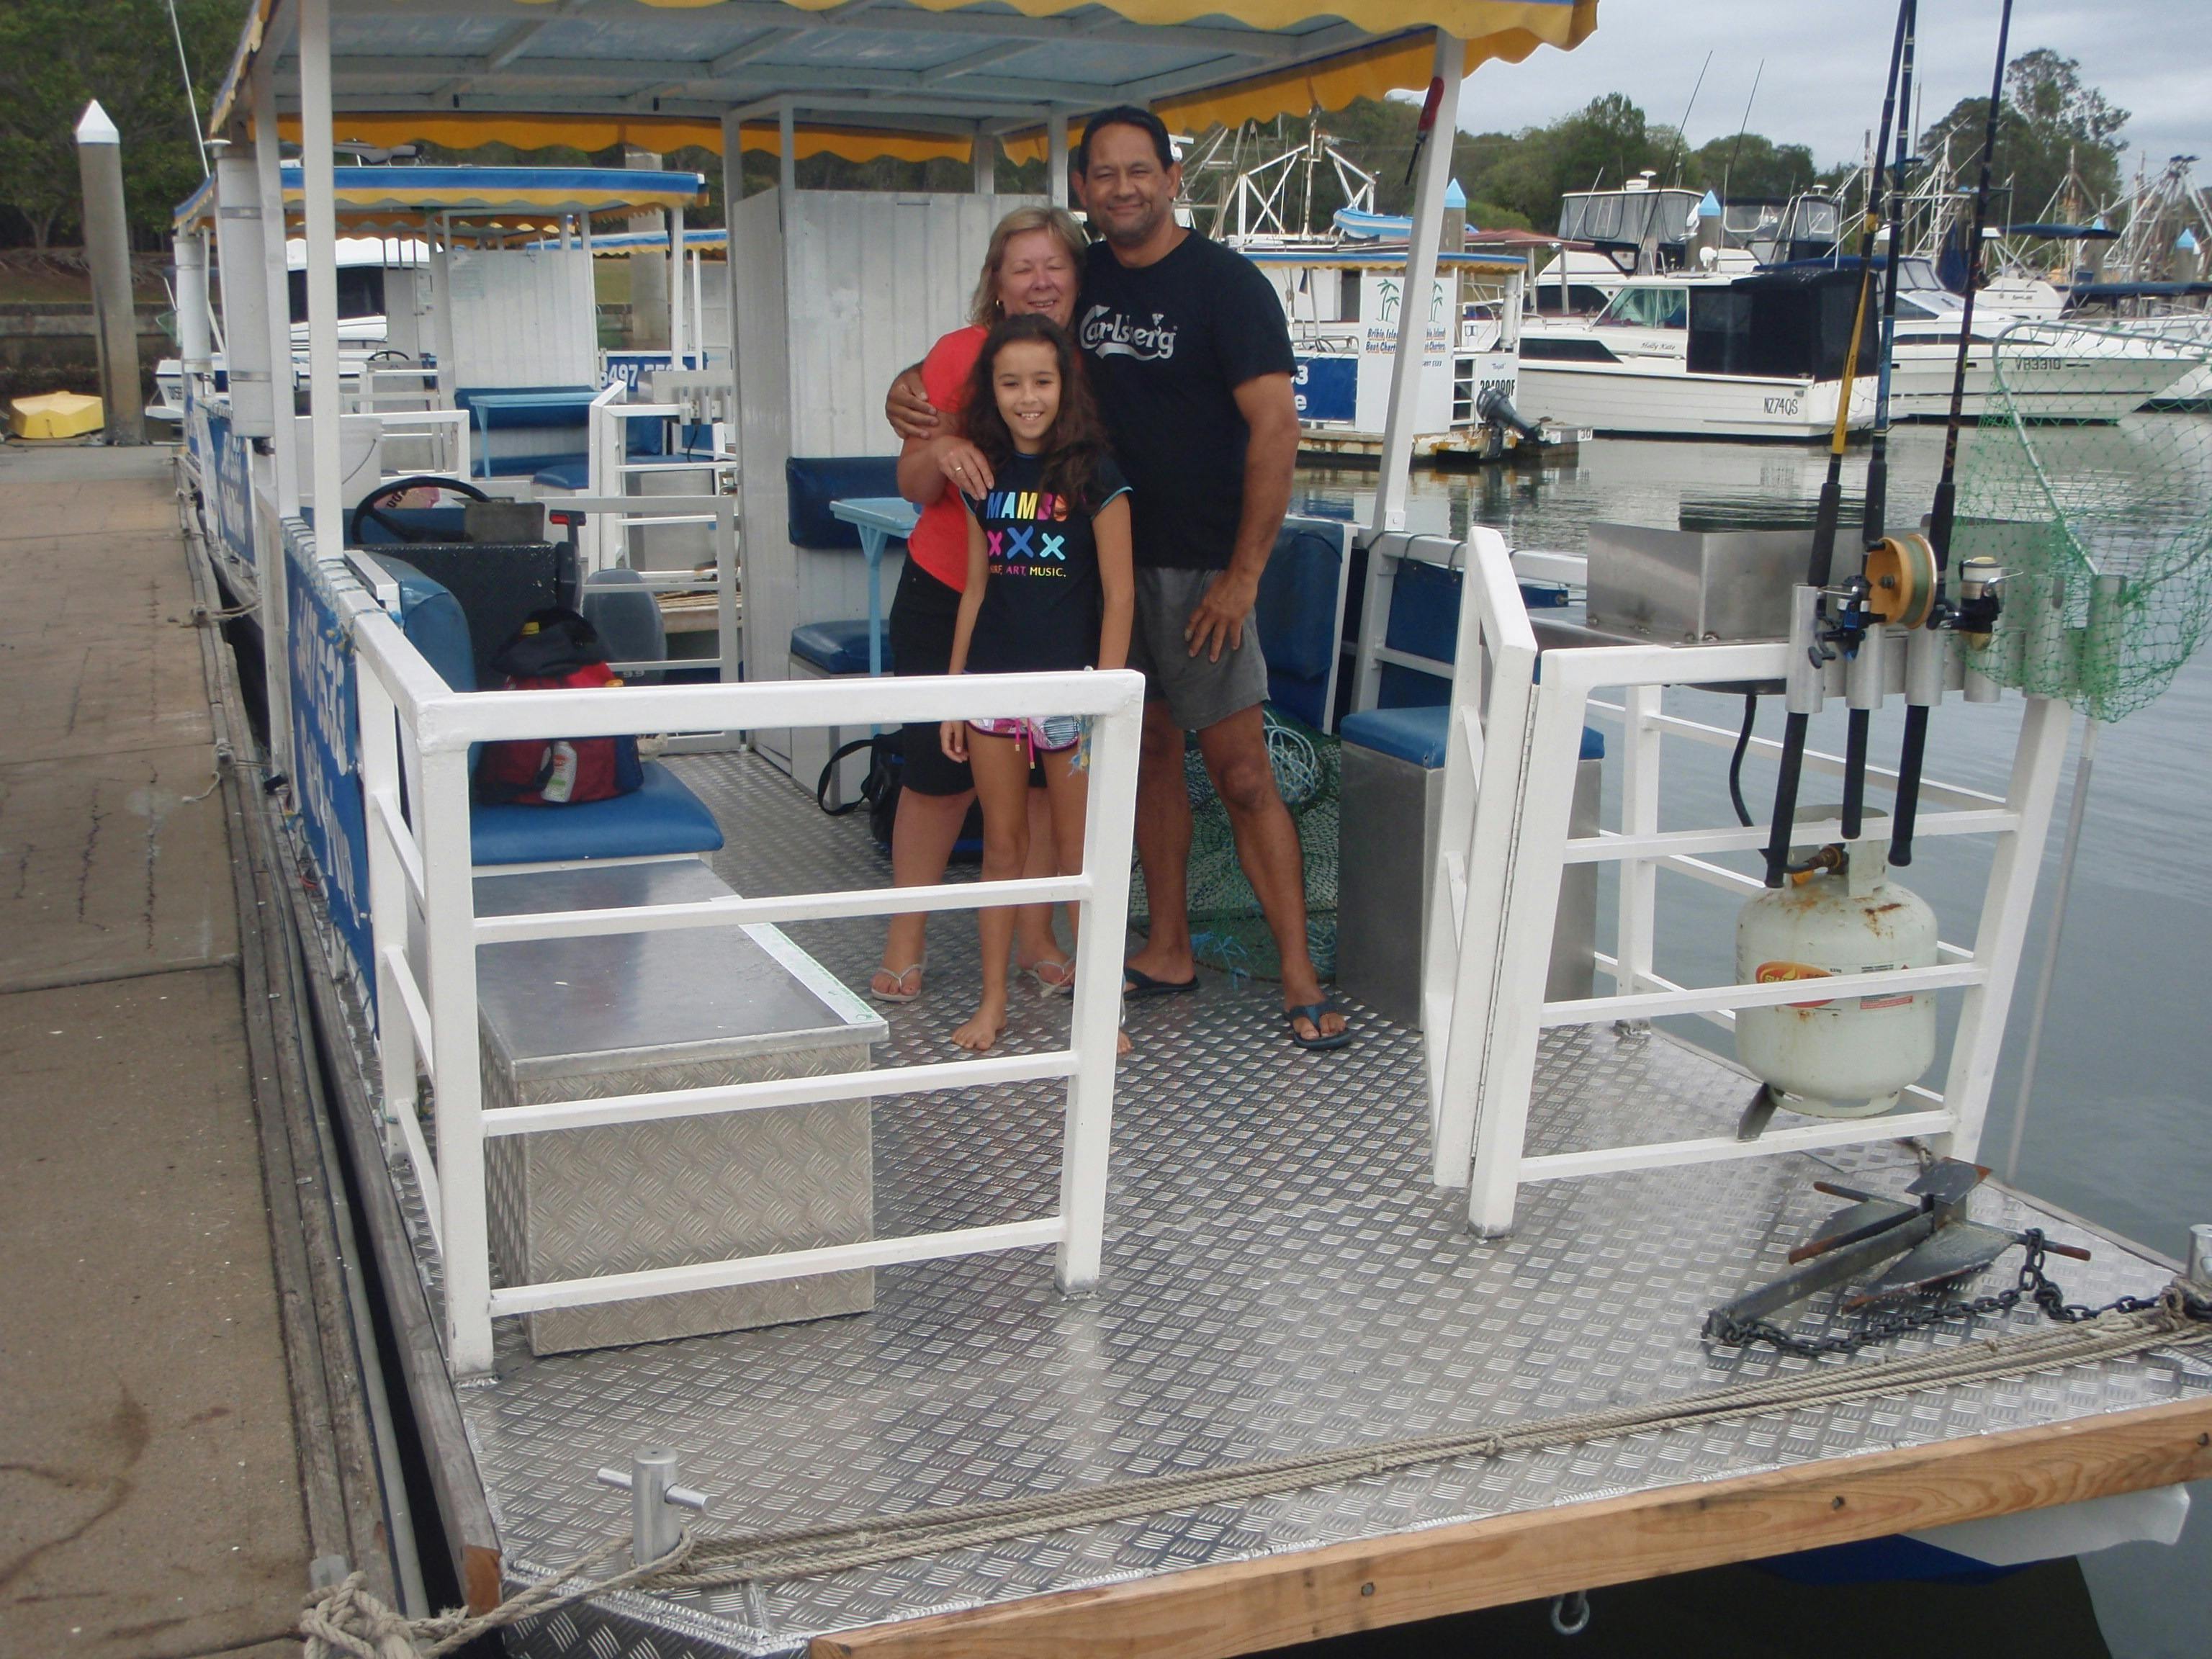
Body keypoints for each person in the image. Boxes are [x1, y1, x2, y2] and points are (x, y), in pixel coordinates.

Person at [890, 107, 1350, 1050]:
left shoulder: (1228, 286)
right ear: (1085, 193)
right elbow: (986, 344)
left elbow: (1275, 429)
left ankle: (1299, 972)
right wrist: (913, 397)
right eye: (1104, 175)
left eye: (1140, 170)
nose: (1124, 187)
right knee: (1141, 765)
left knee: (1242, 772)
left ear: (1173, 177)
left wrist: (1245, 575)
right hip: (1078, 581)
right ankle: (1167, 948)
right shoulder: (1079, 276)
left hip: (1197, 574)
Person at [871, 206, 1092, 1004]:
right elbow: (912, 485)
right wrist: (940, 445)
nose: (1039, 280)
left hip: (1049, 609)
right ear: (994, 284)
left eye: (1054, 265)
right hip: (948, 596)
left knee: (1037, 785)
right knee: (937, 772)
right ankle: (906, 939)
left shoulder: (1090, 362)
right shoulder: (958, 356)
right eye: (1021, 266)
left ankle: (1036, 936)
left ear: (1076, 278)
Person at [939, 314, 1134, 1053]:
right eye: (1011, 382)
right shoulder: (983, 476)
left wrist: (1105, 703)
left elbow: (1118, 596)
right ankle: (993, 1004)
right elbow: (975, 590)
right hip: (993, 689)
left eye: (1042, 382)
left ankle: (1099, 1009)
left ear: (1065, 387)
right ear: (992, 389)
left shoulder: (1097, 476)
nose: (1028, 398)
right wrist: (956, 693)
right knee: (1002, 849)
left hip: (1073, 698)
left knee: (1081, 854)